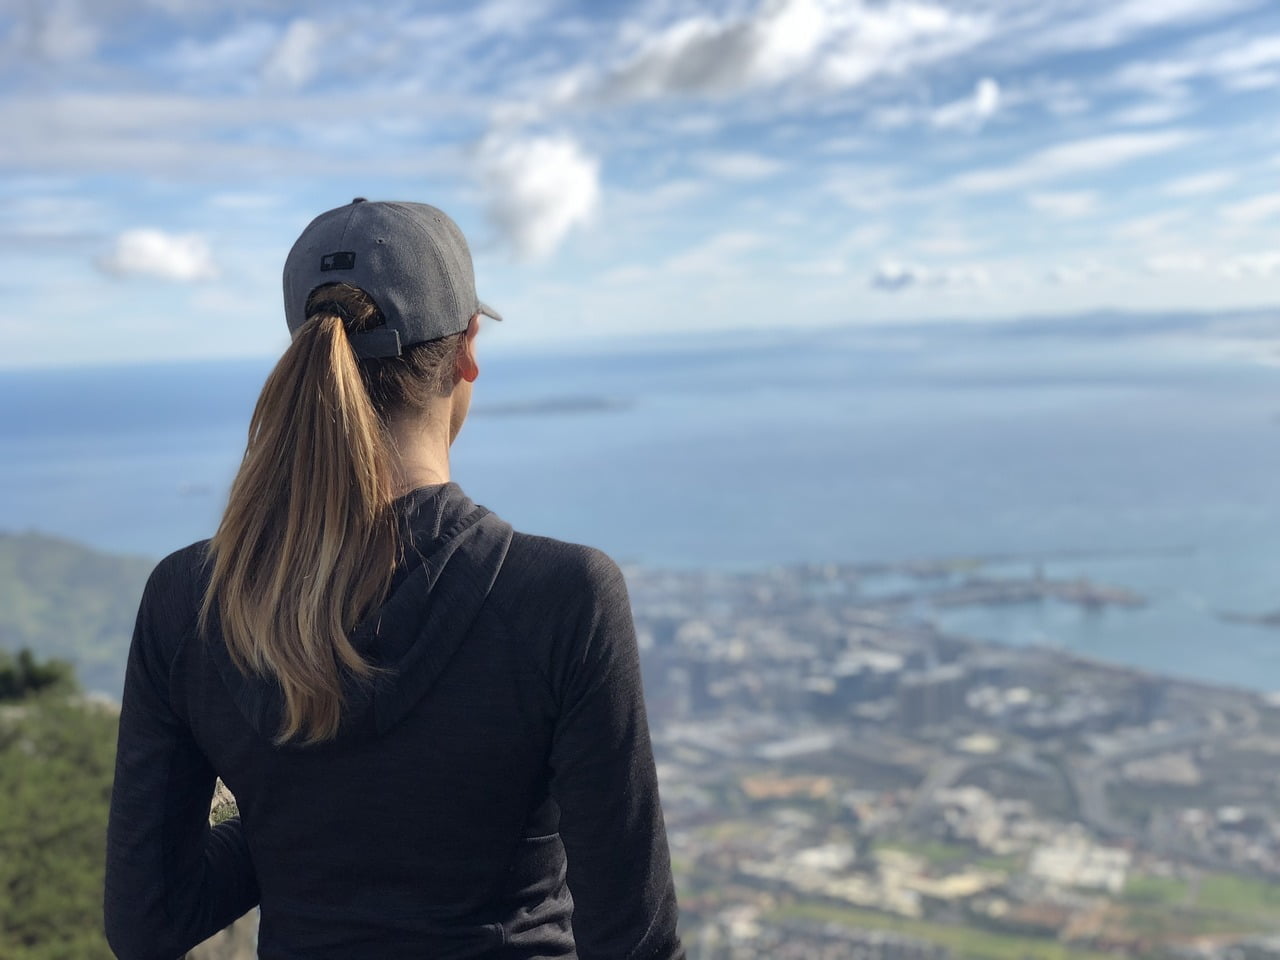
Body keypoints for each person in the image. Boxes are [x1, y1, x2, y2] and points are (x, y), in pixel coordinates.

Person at [104, 199, 685, 959]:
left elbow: (148, 921)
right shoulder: (560, 598)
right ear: (468, 350)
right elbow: (634, 944)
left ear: (307, 353)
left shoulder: (192, 599)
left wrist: (292, 819)